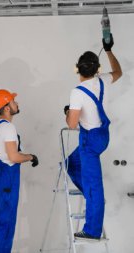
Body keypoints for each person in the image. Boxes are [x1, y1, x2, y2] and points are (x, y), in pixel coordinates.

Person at [64, 33, 122, 240]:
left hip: (89, 140)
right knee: (71, 163)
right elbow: (118, 72)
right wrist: (108, 50)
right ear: (97, 70)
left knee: (94, 185)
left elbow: (72, 124)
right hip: (103, 136)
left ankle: (92, 229)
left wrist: (68, 114)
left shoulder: (77, 91)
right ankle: (93, 198)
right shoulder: (103, 80)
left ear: (77, 69)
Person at [0, 89, 39, 253]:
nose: (17, 103)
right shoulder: (8, 128)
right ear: (7, 108)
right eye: (14, 101)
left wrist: (0, 174)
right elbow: (14, 157)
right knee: (6, 223)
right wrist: (31, 157)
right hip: (7, 179)